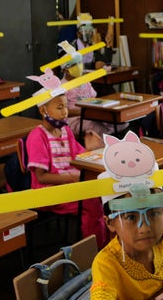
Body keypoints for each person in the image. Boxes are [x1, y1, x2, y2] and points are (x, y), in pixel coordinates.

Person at [26, 91, 108, 249]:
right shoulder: (37, 136)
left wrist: (92, 149)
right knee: (91, 202)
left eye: (66, 106)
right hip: (47, 192)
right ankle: (96, 250)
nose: (65, 112)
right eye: (60, 107)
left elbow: (80, 157)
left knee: (102, 194)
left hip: (68, 185)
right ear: (43, 111)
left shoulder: (66, 131)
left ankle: (106, 243)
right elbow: (41, 177)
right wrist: (71, 178)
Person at [58, 41, 124, 138]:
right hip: (75, 120)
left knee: (120, 122)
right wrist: (82, 112)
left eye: (80, 62)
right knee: (96, 127)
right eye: (74, 65)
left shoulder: (85, 81)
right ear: (65, 69)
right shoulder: (61, 87)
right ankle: (104, 145)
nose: (79, 66)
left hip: (91, 115)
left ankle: (110, 141)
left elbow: (94, 98)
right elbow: (60, 111)